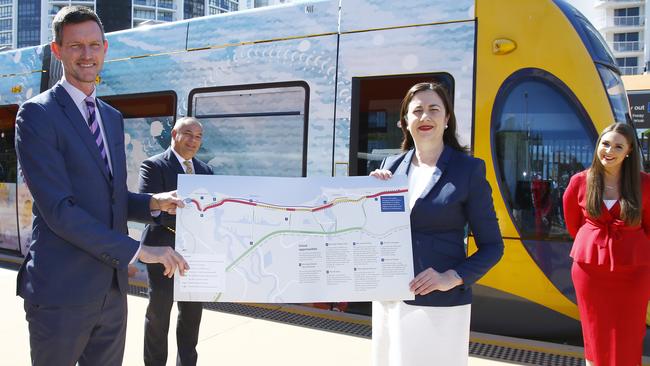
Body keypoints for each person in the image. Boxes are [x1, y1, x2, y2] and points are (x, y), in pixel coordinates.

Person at [14, 6, 189, 366]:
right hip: (61, 294)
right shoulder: (36, 115)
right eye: (76, 46)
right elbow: (59, 210)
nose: (87, 54)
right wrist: (139, 251)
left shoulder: (111, 117)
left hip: (111, 292)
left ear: (105, 49)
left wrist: (153, 203)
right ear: (57, 50)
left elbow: (110, 198)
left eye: (94, 45)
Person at [369, 82, 503, 365]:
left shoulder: (468, 170)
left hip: (438, 306)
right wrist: (368, 197)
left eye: (434, 109)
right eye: (416, 111)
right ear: (405, 121)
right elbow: (371, 232)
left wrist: (450, 277)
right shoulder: (391, 167)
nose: (425, 117)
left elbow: (493, 247)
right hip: (389, 300)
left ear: (447, 119)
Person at [563, 122, 650, 366]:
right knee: (595, 334)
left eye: (618, 146)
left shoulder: (645, 184)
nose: (609, 151)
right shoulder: (579, 181)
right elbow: (573, 224)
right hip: (590, 272)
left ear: (629, 151)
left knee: (630, 333)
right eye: (605, 144)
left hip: (635, 272)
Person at [139, 117, 213, 366]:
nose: (193, 141)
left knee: (192, 316)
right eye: (188, 134)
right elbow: (146, 208)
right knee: (159, 316)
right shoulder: (154, 166)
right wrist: (164, 209)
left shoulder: (206, 171)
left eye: (198, 137)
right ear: (174, 134)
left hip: (195, 254)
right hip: (163, 252)